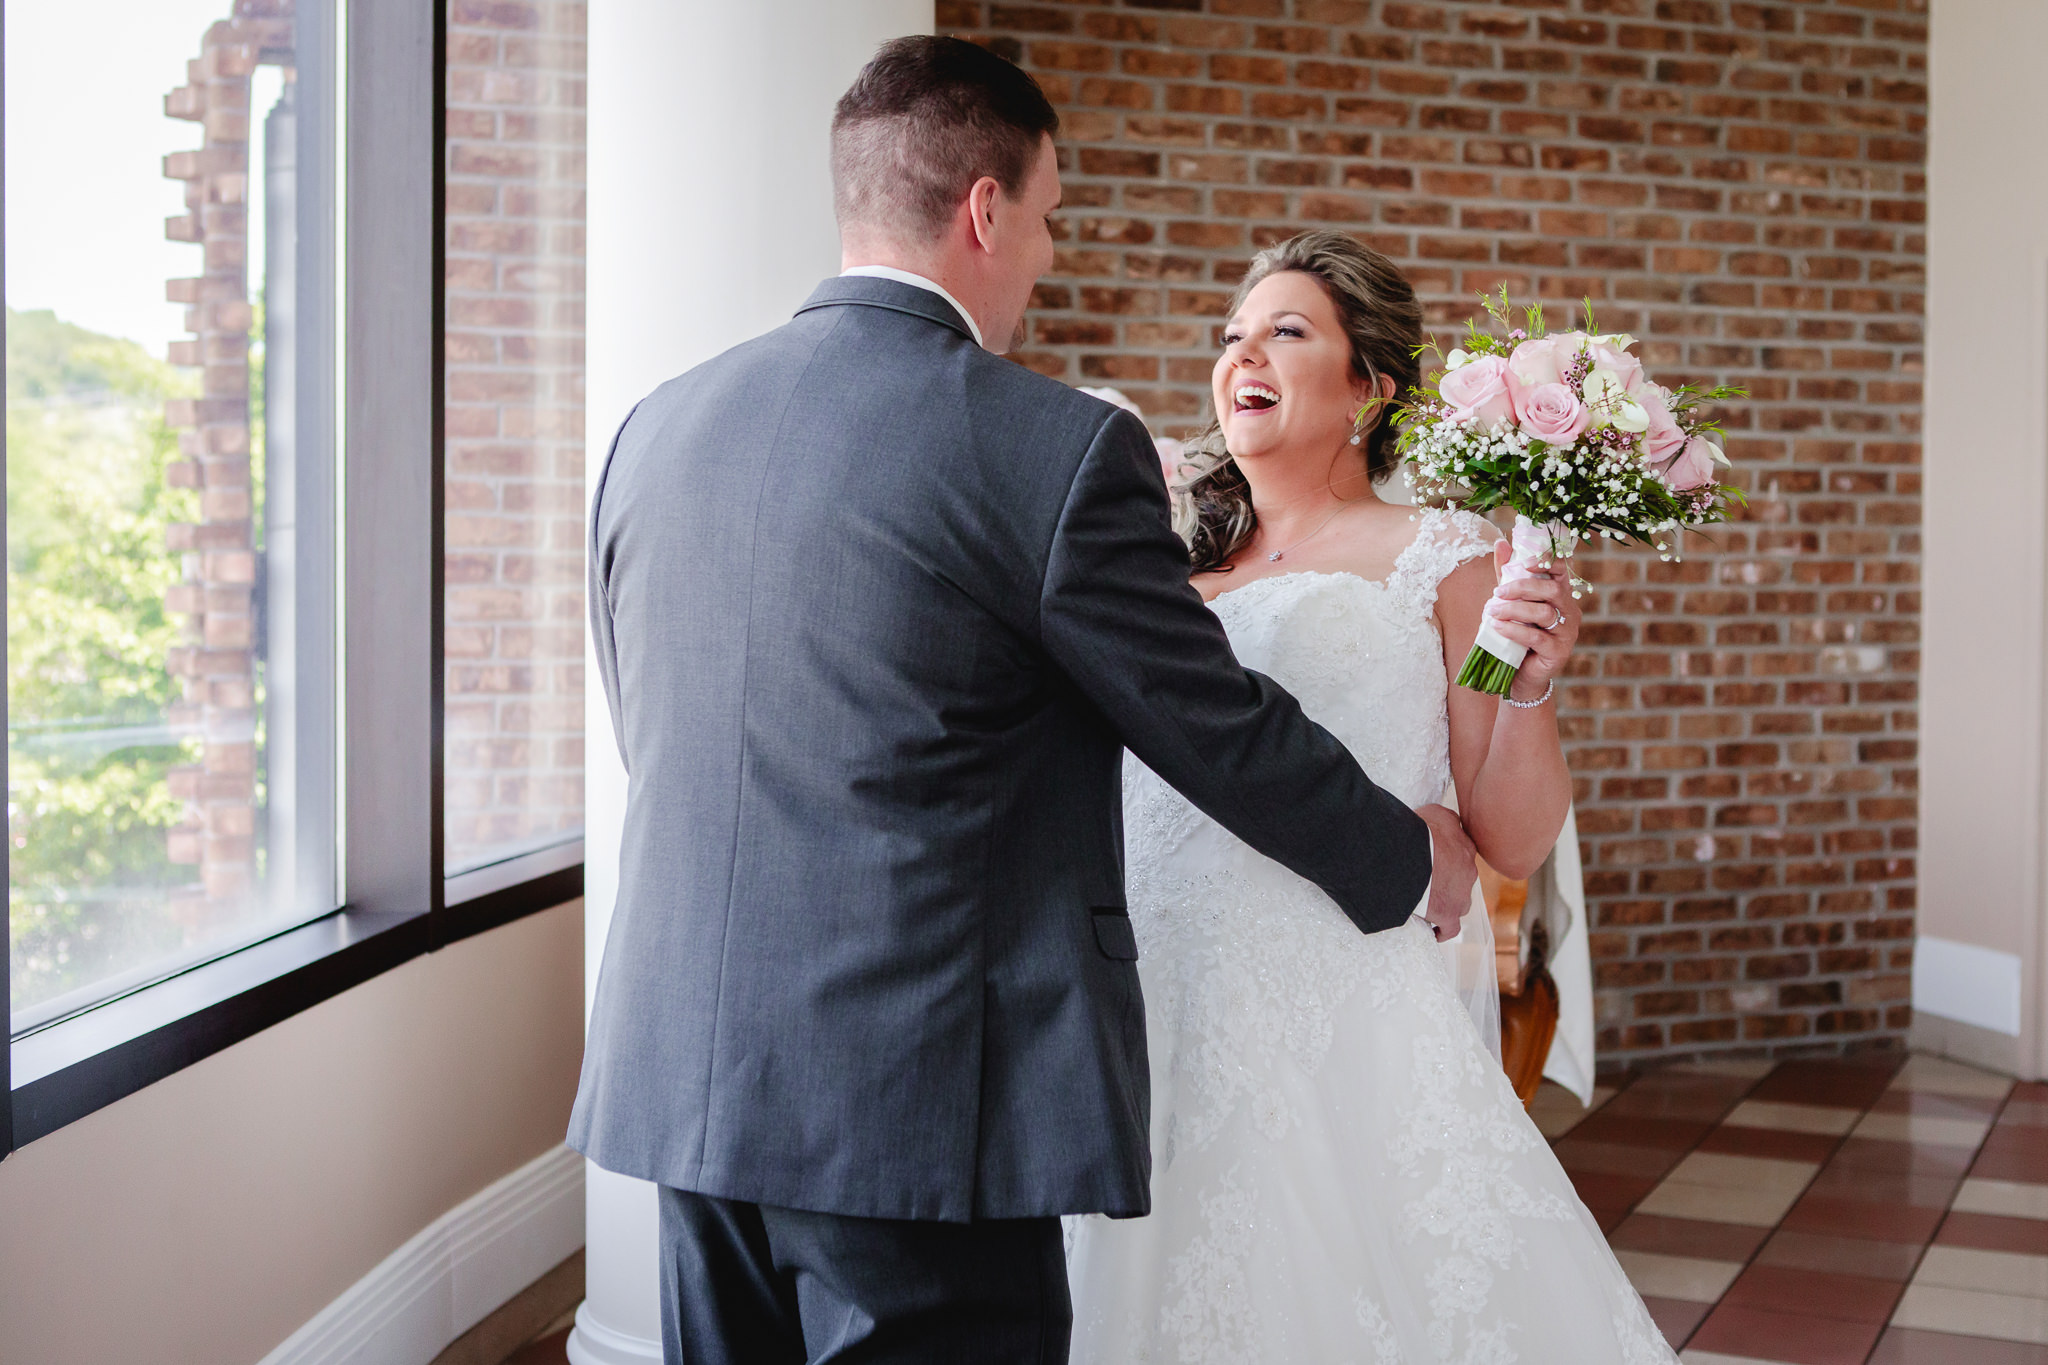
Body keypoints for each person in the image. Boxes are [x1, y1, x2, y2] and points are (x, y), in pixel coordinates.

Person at [569, 38, 1477, 1364]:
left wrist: (1515, 665)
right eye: (1049, 217)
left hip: (692, 1067)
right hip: (915, 1093)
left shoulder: (657, 426)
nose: (1049, 257)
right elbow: (1211, 720)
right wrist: (1407, 854)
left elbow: (655, 720)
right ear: (983, 210)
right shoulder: (1051, 449)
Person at [1064, 230, 1677, 1364]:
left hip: (1330, 1003)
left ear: (1370, 387)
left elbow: (1509, 833)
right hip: (1141, 989)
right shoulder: (1164, 561)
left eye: (1286, 333)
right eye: (1232, 336)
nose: (1242, 355)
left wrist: (1527, 689)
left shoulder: (1444, 557)